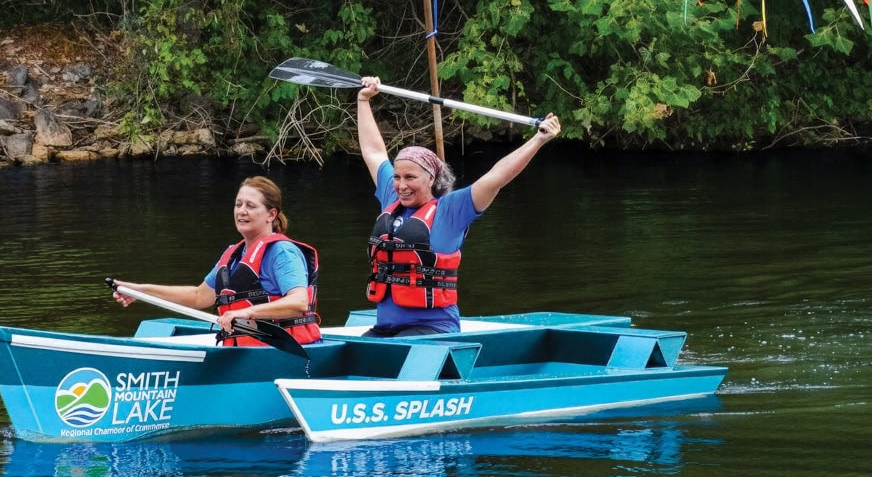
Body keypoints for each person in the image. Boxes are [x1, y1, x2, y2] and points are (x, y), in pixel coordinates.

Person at [357, 76, 561, 336]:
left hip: (432, 328)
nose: (401, 184)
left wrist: (538, 140)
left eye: (410, 177)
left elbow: (496, 177)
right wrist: (364, 101)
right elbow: (374, 153)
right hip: (385, 328)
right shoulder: (391, 198)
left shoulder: (451, 210)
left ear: (431, 178)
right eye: (397, 177)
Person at [111, 176, 322, 345]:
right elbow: (198, 296)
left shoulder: (282, 252)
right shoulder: (232, 255)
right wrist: (140, 291)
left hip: (281, 350)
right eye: (238, 204)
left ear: (271, 214)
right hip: (243, 350)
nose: (242, 211)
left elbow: (298, 302)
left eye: (251, 205)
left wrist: (245, 311)